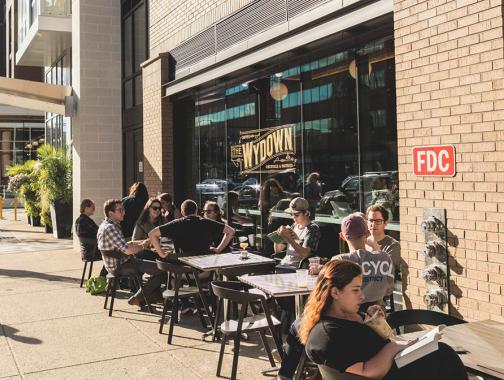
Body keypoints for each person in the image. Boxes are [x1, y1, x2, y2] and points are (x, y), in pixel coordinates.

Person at [299, 260, 468, 380]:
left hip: (405, 366)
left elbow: (382, 338)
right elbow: (370, 371)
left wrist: (375, 322)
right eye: (356, 290)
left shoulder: (351, 318)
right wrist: (391, 347)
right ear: (335, 292)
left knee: (442, 352)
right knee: (444, 355)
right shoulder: (328, 335)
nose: (362, 296)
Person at [310, 212, 393, 308]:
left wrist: (323, 269)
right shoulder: (384, 258)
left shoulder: (339, 261)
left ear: (342, 236)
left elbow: (324, 290)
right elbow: (389, 290)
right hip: (378, 316)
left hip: (348, 318)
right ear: (367, 233)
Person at [97, 199, 166, 306]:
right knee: (161, 269)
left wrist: (145, 241)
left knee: (154, 264)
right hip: (120, 265)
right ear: (111, 213)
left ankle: (151, 296)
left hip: (120, 262)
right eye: (120, 210)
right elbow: (128, 250)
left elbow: (125, 244)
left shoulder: (106, 225)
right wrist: (144, 245)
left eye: (123, 209)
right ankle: (140, 297)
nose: (124, 212)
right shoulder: (111, 228)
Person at [148, 199, 235, 257]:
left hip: (182, 270)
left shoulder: (176, 224)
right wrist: (218, 250)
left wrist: (161, 253)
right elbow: (231, 231)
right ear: (196, 211)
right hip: (204, 270)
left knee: (172, 278)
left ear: (182, 212)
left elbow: (152, 234)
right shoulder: (207, 223)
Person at [274, 197, 320, 270]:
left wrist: (289, 238)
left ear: (306, 213)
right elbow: (278, 250)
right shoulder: (294, 226)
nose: (293, 217)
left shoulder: (312, 228)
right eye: (292, 214)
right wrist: (278, 237)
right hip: (283, 264)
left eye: (297, 215)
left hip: (296, 269)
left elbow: (305, 254)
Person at [75, 199, 107, 277]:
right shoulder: (85, 221)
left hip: (87, 251)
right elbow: (100, 232)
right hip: (93, 252)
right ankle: (103, 277)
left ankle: (106, 278)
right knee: (113, 254)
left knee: (113, 253)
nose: (94, 209)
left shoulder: (79, 220)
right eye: (93, 208)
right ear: (86, 208)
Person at [367, 204, 401, 273]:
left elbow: (385, 272)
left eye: (378, 221)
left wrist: (375, 246)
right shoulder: (363, 242)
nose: (373, 224)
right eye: (371, 220)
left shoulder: (393, 246)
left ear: (385, 223)